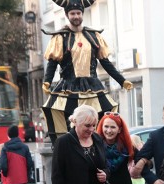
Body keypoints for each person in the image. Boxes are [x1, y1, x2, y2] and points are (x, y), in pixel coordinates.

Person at [42, 0, 133, 145]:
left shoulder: (93, 36)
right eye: (72, 13)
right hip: (68, 87)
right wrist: (47, 81)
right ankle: (63, 147)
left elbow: (105, 63)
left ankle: (99, 146)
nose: (76, 16)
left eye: (78, 13)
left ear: (82, 14)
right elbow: (52, 63)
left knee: (106, 113)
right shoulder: (60, 37)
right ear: (67, 15)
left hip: (92, 85)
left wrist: (122, 80)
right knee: (58, 114)